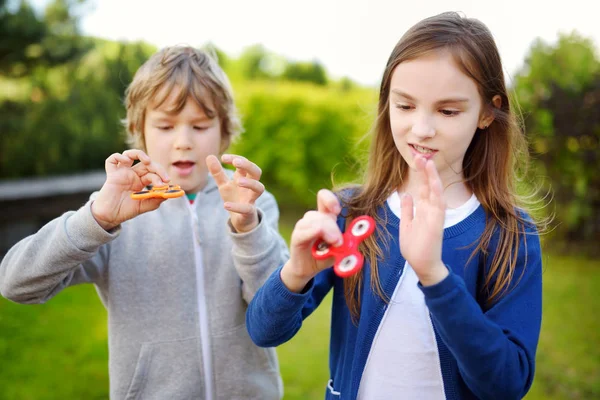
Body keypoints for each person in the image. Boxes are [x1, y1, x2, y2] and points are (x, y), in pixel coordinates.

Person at [246, 11, 544, 400]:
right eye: (405, 106)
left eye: (447, 111)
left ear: (488, 112)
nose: (421, 129)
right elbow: (263, 331)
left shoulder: (510, 236)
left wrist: (434, 275)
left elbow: (506, 384)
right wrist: (296, 273)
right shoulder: (351, 213)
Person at [0, 46, 288, 400]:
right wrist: (96, 219)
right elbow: (16, 284)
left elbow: (277, 313)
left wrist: (248, 231)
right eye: (166, 126)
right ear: (141, 130)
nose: (183, 142)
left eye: (200, 125)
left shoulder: (253, 206)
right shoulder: (114, 212)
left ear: (224, 130)